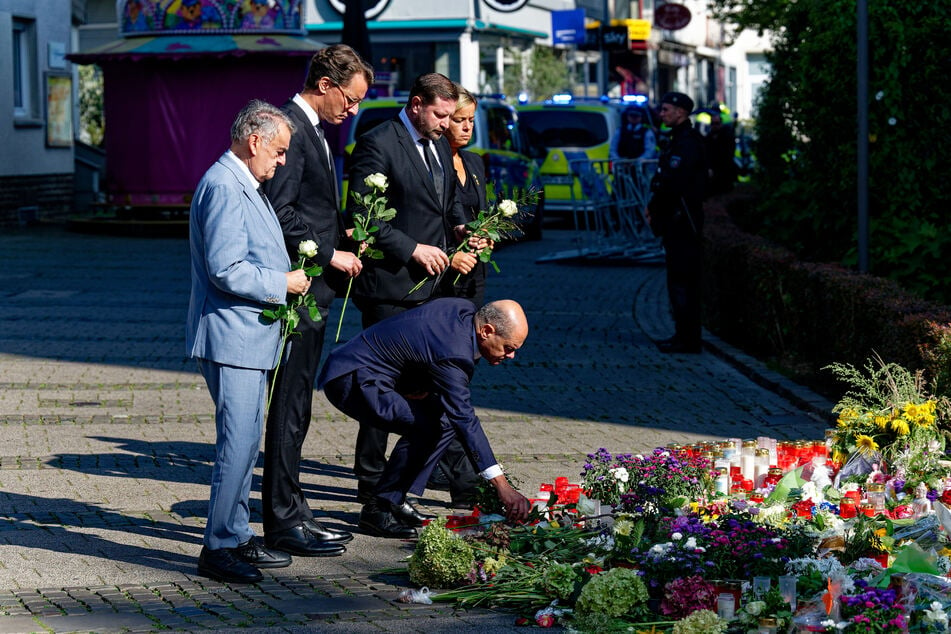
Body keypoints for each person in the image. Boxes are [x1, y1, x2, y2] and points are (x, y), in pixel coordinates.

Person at [185, 100, 310, 583]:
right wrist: (284, 283)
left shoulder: (243, 182)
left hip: (248, 337)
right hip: (231, 337)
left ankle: (237, 536)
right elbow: (226, 268)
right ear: (253, 140)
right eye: (278, 152)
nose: (281, 162)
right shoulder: (223, 185)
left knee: (245, 445)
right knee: (235, 447)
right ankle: (218, 547)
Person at [259, 44, 373, 557]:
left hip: (316, 285)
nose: (353, 110)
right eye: (349, 99)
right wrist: (330, 254)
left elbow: (311, 206)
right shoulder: (291, 128)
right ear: (325, 85)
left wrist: (345, 235)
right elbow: (279, 211)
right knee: (289, 407)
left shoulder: (317, 131)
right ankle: (282, 519)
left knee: (299, 405)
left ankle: (295, 507)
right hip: (299, 290)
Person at [345, 73, 471, 505]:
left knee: (428, 387)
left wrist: (460, 226)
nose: (445, 123)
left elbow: (447, 198)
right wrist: (413, 248)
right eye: (440, 114)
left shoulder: (438, 142)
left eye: (450, 116)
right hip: (390, 286)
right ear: (416, 104)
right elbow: (364, 216)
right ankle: (371, 478)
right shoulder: (379, 143)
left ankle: (426, 476)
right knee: (381, 388)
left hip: (433, 288)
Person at [317, 298, 532, 538]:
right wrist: (502, 486)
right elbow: (465, 418)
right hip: (354, 379)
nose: (511, 356)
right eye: (508, 348)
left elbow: (422, 342)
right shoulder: (455, 352)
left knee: (441, 421)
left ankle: (393, 498)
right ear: (486, 331)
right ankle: (378, 509)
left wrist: (419, 384)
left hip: (377, 372)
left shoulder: (465, 311)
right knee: (433, 426)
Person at [432, 85, 491, 508]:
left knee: (461, 375)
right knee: (449, 378)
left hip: (474, 276)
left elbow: (479, 214)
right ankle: (460, 472)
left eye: (471, 120)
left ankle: (441, 459)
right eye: (459, 119)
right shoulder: (434, 161)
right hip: (444, 277)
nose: (467, 127)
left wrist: (488, 235)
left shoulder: (474, 163)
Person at [647, 92, 708, 354]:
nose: (662, 114)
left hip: (683, 222)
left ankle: (687, 339)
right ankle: (682, 335)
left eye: (666, 109)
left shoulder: (687, 143)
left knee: (683, 282)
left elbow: (674, 185)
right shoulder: (677, 140)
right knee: (678, 282)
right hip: (675, 222)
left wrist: (656, 208)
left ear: (681, 112)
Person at [704, 111, 737, 195]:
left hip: (724, 170)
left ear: (721, 124)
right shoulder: (708, 137)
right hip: (714, 171)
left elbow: (729, 154)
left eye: (717, 123)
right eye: (713, 123)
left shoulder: (727, 136)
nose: (714, 126)